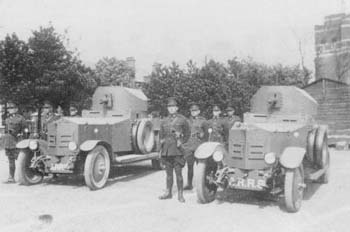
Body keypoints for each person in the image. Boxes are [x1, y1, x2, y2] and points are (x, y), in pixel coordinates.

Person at [159, 97, 190, 203]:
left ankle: (180, 194)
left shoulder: (182, 120)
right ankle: (168, 192)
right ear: (167, 109)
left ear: (177, 108)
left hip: (177, 151)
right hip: (167, 151)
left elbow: (187, 133)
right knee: (168, 174)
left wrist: (181, 140)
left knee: (179, 174)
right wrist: (161, 149)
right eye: (169, 107)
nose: (171, 109)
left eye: (173, 107)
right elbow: (161, 136)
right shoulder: (164, 121)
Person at [183, 103, 208, 190]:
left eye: (195, 111)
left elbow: (206, 135)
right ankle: (189, 184)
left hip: (199, 146)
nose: (193, 112)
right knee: (190, 166)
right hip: (189, 147)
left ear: (199, 111)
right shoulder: (186, 121)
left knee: (201, 166)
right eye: (192, 111)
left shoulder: (203, 121)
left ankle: (203, 185)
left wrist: (203, 143)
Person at [3, 101, 26, 183]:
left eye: (12, 108)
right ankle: (11, 177)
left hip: (16, 142)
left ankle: (24, 176)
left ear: (16, 109)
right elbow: (6, 131)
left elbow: (25, 130)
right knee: (11, 161)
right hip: (8, 142)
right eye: (9, 108)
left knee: (21, 160)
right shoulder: (7, 119)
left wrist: (21, 138)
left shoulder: (21, 118)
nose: (10, 110)